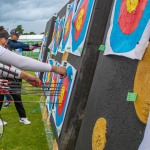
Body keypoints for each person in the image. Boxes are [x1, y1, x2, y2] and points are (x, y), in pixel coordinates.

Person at [0, 26, 66, 126]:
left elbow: (24, 49)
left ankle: (22, 117)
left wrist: (25, 75)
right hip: (8, 74)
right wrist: (55, 69)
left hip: (11, 73)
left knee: (15, 95)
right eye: (6, 38)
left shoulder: (8, 45)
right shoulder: (10, 44)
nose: (7, 40)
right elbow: (21, 59)